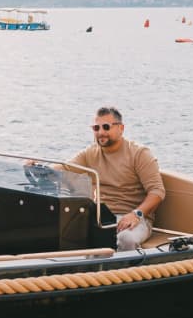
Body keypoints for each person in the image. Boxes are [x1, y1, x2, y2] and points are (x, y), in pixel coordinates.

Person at [69, 107, 165, 250]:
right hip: (101, 216)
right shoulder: (89, 153)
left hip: (134, 217)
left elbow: (157, 192)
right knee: (65, 230)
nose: (101, 132)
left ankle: (127, 272)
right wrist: (39, 167)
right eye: (96, 128)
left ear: (121, 128)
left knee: (126, 239)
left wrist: (136, 214)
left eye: (106, 127)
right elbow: (63, 168)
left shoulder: (139, 153)